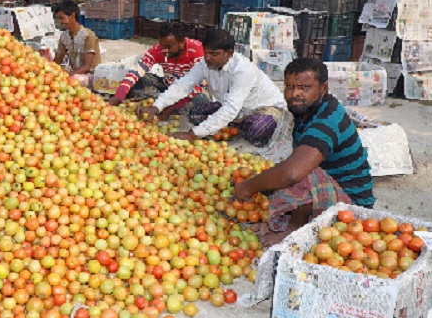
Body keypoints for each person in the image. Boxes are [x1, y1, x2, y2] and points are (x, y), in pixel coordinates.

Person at [234, 58, 375, 246]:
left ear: (323, 88)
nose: (295, 94)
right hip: (329, 188)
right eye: (290, 87)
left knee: (296, 171)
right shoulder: (305, 111)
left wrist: (248, 187)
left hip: (351, 207)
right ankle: (290, 217)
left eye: (305, 87)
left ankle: (293, 228)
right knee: (271, 175)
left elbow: (294, 173)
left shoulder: (327, 119)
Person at [136, 29, 286, 146]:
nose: (208, 58)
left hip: (263, 107)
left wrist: (192, 135)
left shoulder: (243, 70)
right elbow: (183, 85)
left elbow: (231, 108)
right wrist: (156, 107)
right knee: (195, 115)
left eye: (214, 54)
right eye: (206, 53)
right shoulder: (205, 63)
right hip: (233, 106)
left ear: (229, 53)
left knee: (257, 132)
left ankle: (235, 125)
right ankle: (232, 125)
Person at [108, 23, 205, 119]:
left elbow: (199, 86)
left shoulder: (197, 50)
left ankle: (166, 105)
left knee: (200, 102)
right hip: (167, 85)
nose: (164, 50)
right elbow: (137, 70)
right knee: (138, 80)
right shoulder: (159, 49)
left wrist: (171, 109)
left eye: (168, 47)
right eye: (162, 46)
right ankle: (161, 102)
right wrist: (119, 95)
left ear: (181, 43)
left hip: (189, 92)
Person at [53, 1, 102, 87]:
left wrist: (69, 74)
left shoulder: (88, 36)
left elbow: (87, 67)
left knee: (73, 80)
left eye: (62, 18)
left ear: (72, 16)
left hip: (91, 76)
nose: (60, 22)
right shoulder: (64, 36)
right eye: (58, 19)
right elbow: (57, 60)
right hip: (75, 72)